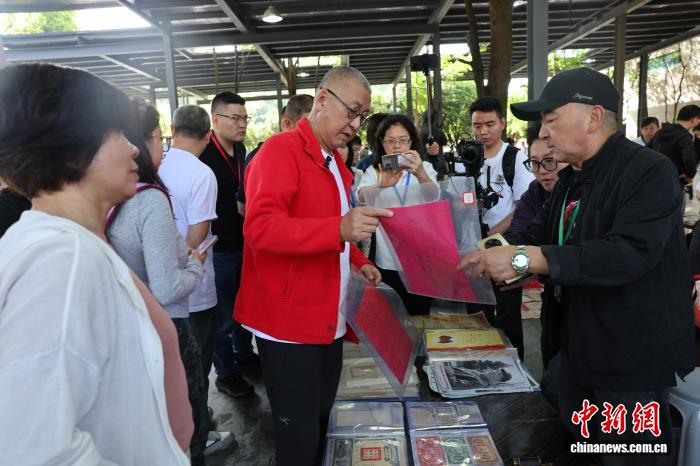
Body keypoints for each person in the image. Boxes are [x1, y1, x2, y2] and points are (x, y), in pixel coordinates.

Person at [461, 67, 694, 465]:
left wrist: (526, 258)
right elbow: (536, 234)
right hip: (574, 351)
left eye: (551, 119)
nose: (544, 132)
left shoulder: (648, 172)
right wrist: (487, 256)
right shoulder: (571, 179)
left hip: (628, 362)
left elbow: (626, 253)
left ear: (594, 116)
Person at [0, 63, 190, 465]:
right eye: (116, 132)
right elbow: (38, 449)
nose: (134, 148)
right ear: (72, 151)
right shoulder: (60, 260)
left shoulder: (69, 242)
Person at [235, 66, 392, 466]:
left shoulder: (332, 160)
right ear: (322, 99)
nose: (355, 125)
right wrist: (339, 229)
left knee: (320, 417)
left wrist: (358, 260)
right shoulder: (280, 151)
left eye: (362, 117)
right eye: (351, 112)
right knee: (298, 435)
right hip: (290, 326)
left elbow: (336, 225)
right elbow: (260, 228)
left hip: (327, 318)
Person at [105, 98, 210, 464]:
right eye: (157, 138)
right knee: (188, 431)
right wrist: (195, 265)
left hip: (133, 328)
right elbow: (166, 288)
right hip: (168, 329)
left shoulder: (112, 197)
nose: (161, 147)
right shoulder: (149, 200)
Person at [157, 106, 234, 450]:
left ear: (172, 130)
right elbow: (198, 233)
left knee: (171, 372)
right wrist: (185, 267)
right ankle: (197, 440)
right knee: (197, 370)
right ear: (208, 136)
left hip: (159, 287)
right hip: (194, 289)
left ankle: (181, 436)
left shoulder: (155, 164)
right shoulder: (202, 173)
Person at [464, 96, 535, 359]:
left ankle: (516, 366)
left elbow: (523, 207)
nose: (483, 131)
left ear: (502, 123)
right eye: (477, 125)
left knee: (507, 313)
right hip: (473, 249)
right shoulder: (466, 157)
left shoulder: (515, 158)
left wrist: (490, 233)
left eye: (490, 124)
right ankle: (480, 365)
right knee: (476, 314)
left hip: (505, 246)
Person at [199, 92, 255, 398]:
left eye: (245, 118)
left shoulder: (241, 149)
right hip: (219, 247)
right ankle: (225, 372)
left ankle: (244, 354)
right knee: (223, 315)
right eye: (235, 118)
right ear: (216, 120)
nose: (242, 124)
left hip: (243, 241)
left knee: (244, 306)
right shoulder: (205, 153)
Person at [355, 114, 438, 315]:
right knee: (390, 317)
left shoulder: (425, 168)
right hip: (386, 258)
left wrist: (420, 173)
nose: (396, 146)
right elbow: (360, 197)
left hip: (419, 259)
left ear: (411, 141)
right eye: (390, 141)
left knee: (419, 315)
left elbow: (435, 197)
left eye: (402, 140)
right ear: (381, 143)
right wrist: (381, 185)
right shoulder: (375, 171)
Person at [237, 94, 314, 217]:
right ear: (286, 124)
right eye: (307, 127)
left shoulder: (317, 155)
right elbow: (245, 208)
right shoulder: (261, 156)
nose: (313, 134)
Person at [651, 104, 700, 187]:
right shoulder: (684, 136)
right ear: (694, 119)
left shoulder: (660, 132)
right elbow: (689, 159)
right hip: (675, 180)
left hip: (656, 178)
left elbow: (648, 150)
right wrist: (690, 175)